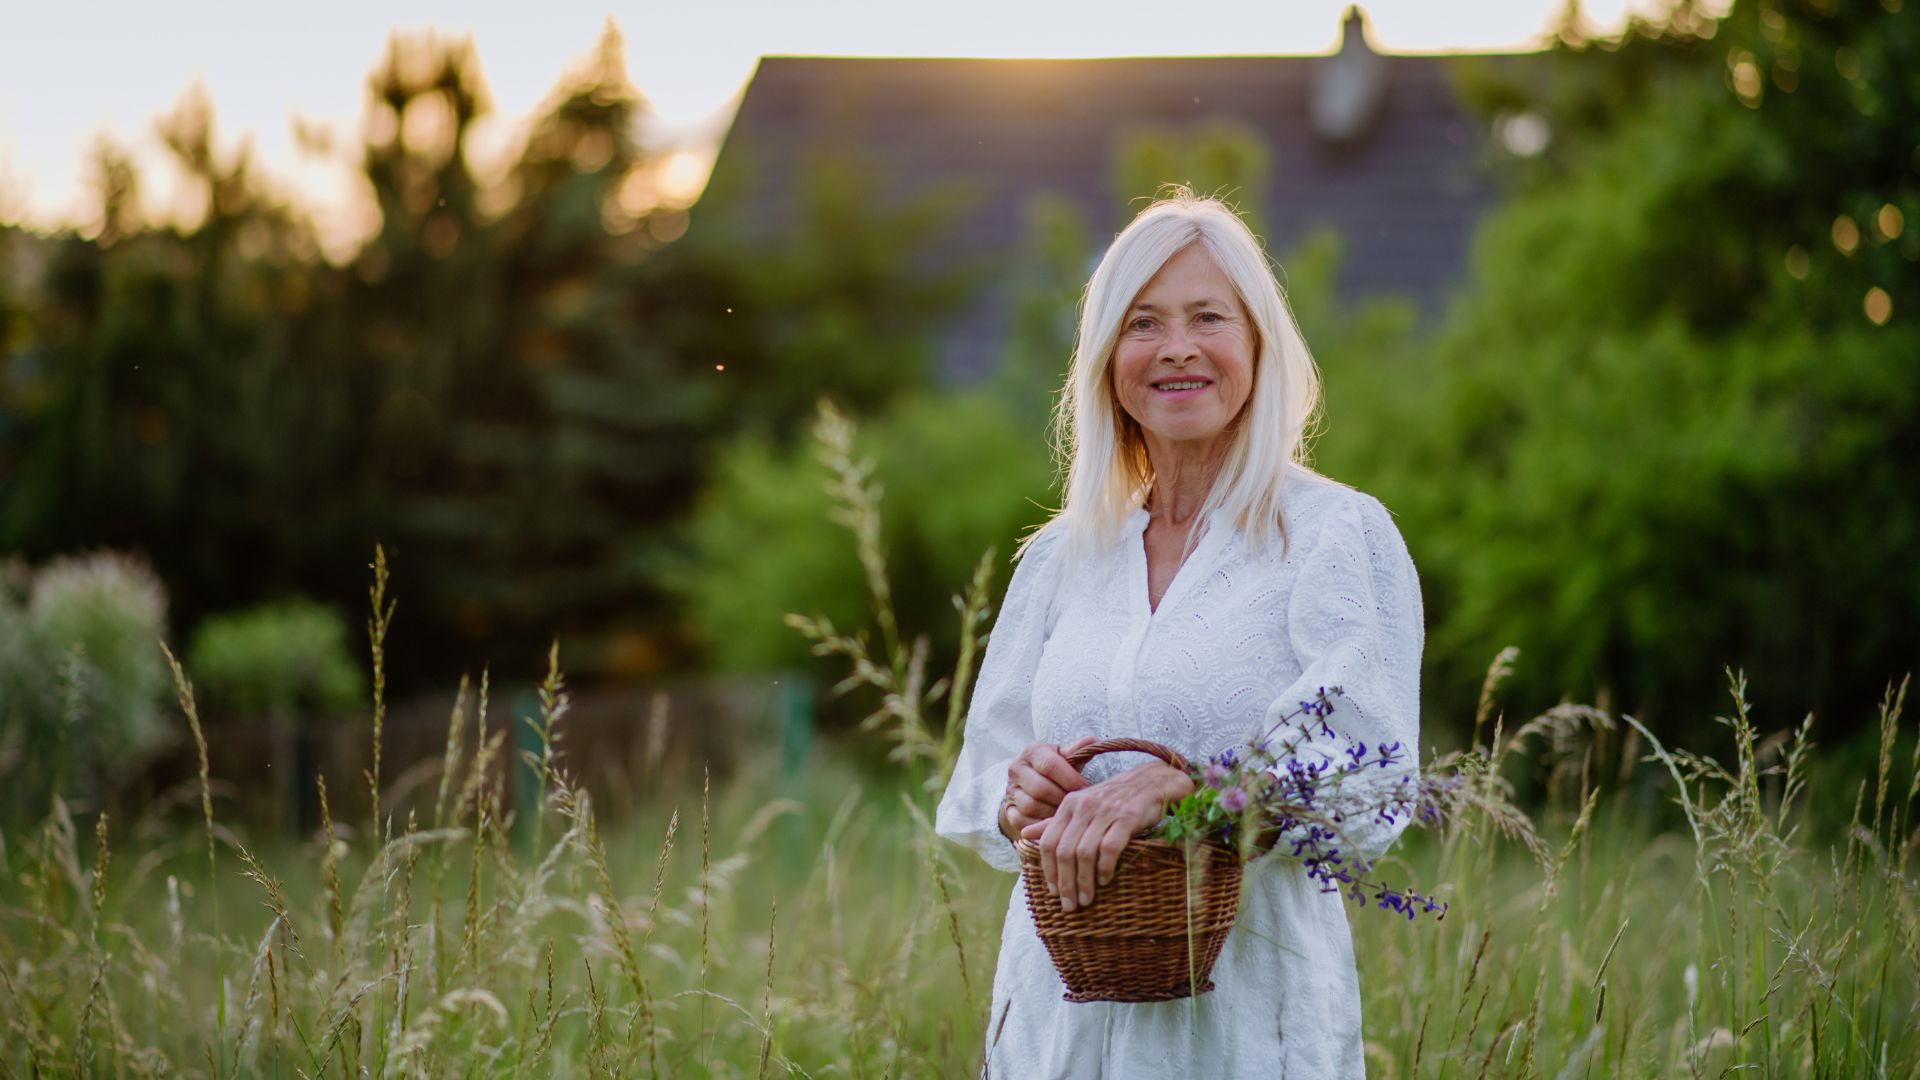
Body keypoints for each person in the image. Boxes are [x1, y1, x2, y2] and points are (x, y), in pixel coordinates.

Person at [934, 188, 1424, 1079]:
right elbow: (979, 791)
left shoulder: (1330, 535)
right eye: (1144, 323)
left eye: (1209, 317)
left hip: (1245, 1018)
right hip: (1061, 1018)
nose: (1178, 349)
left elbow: (1372, 786)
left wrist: (1191, 788)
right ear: (1106, 358)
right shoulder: (1060, 556)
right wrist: (1024, 794)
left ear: (1258, 345)